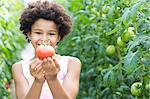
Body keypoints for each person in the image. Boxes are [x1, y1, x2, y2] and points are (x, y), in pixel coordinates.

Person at [12, 0, 81, 99]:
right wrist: (38, 81)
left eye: (51, 34)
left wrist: (52, 79)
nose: (44, 39)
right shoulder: (19, 68)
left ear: (59, 37)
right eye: (38, 33)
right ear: (29, 34)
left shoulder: (72, 64)